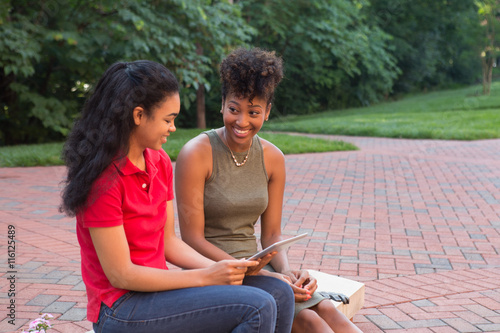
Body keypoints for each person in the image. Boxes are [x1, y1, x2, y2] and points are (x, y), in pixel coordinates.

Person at [60, 60, 294, 333]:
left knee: (279, 293)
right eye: (168, 119)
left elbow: (169, 241)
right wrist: (206, 276)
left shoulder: (157, 161)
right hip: (120, 309)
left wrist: (226, 269)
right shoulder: (103, 181)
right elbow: (121, 273)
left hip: (156, 295)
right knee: (257, 306)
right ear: (138, 115)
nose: (173, 128)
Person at [176, 48, 363, 333]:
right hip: (213, 268)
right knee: (309, 320)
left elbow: (272, 235)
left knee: (325, 307)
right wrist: (258, 272)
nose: (241, 122)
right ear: (222, 104)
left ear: (268, 111)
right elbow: (191, 238)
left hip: (257, 265)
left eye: (253, 112)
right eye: (234, 109)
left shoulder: (273, 158)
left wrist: (286, 272)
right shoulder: (196, 153)